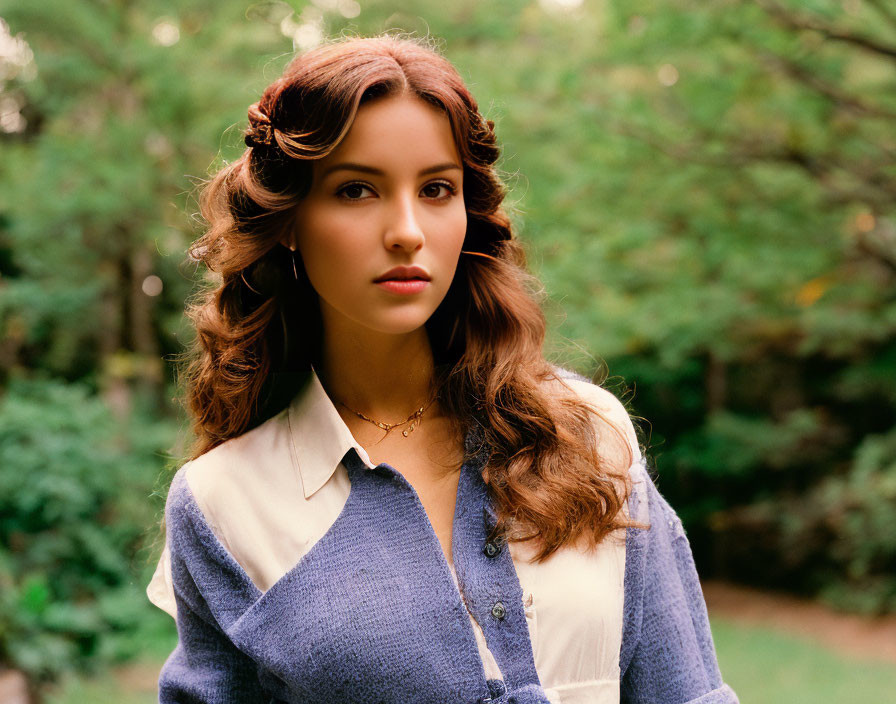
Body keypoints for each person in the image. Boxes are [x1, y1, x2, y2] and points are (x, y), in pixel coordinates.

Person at [147, 34, 738, 704]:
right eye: (357, 190)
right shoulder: (224, 502)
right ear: (289, 220)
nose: (407, 230)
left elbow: (685, 690)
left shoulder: (589, 433)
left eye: (435, 189)